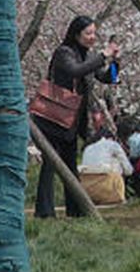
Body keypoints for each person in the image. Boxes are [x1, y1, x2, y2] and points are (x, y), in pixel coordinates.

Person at [34, 14, 119, 220]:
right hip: (55, 118)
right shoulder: (64, 53)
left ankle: (77, 210)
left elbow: (108, 77)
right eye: (88, 33)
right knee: (50, 164)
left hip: (73, 120)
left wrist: (115, 60)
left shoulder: (89, 55)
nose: (92, 37)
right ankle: (45, 212)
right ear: (76, 34)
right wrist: (102, 55)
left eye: (94, 33)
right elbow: (74, 71)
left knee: (70, 165)